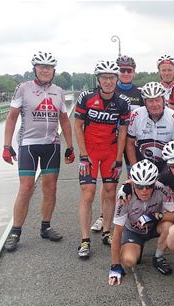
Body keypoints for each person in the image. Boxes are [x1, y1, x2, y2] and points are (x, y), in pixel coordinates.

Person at [2, 51, 74, 252]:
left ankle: (46, 226)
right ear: (34, 69)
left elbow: (65, 120)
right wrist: (7, 146)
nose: (45, 70)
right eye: (41, 67)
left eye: (48, 67)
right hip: (28, 145)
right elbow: (11, 117)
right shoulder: (23, 88)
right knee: (26, 188)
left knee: (50, 188)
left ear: (53, 71)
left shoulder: (58, 91)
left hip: (51, 145)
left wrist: (70, 146)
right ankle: (15, 231)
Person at [74, 60, 131, 258]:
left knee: (110, 191)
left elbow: (123, 132)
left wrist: (117, 160)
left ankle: (107, 231)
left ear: (117, 79)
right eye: (104, 78)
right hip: (90, 151)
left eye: (112, 77)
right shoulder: (86, 97)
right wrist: (83, 155)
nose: (108, 81)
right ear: (98, 79)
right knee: (88, 193)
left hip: (110, 151)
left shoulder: (123, 102)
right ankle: (84, 239)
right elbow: (77, 127)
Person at [92, 55, 144, 233]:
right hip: (112, 142)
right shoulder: (109, 90)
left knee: (134, 177)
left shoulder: (140, 93)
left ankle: (134, 214)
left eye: (129, 70)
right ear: (117, 72)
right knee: (108, 184)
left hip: (131, 142)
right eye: (122, 70)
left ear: (134, 72)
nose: (126, 73)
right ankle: (102, 216)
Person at [108, 159, 174, 281]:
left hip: (155, 226)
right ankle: (136, 247)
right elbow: (117, 232)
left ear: (154, 183)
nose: (144, 190)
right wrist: (115, 265)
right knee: (129, 260)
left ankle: (158, 257)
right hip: (133, 231)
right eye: (140, 186)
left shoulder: (161, 189)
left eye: (149, 186)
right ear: (133, 184)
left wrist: (156, 216)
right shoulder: (124, 197)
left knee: (169, 226)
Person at [125, 82, 174, 172]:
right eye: (150, 101)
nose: (154, 104)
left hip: (165, 165)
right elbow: (130, 143)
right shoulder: (136, 115)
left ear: (163, 100)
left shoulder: (173, 117)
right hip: (142, 164)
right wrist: (134, 169)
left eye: (157, 100)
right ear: (145, 102)